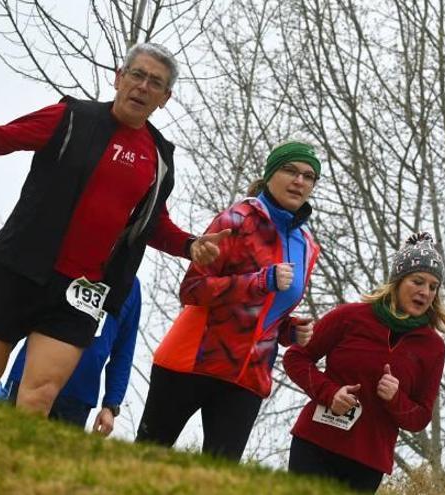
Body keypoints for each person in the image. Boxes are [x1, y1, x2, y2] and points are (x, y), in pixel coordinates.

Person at [0, 42, 227, 416]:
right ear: (119, 78)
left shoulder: (159, 157)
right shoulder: (71, 117)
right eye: (137, 75)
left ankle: (5, 473)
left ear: (165, 98)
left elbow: (152, 222)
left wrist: (190, 245)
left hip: (80, 292)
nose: (143, 87)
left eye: (155, 83)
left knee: (39, 397)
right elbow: (3, 137)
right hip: (19, 269)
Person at [135, 141, 323, 461]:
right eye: (289, 170)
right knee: (144, 463)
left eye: (308, 176)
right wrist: (259, 282)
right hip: (191, 363)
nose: (299, 181)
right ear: (269, 175)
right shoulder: (237, 220)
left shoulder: (308, 246)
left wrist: (291, 331)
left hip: (248, 377)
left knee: (218, 481)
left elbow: (266, 315)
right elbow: (192, 289)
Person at [283, 232, 445, 493]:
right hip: (316, 443)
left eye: (433, 286)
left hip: (367, 461)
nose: (425, 292)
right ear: (398, 280)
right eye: (418, 281)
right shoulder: (350, 317)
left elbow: (419, 418)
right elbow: (296, 357)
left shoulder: (432, 347)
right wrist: (330, 393)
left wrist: (395, 398)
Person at [0, 278, 141, 436]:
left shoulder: (131, 286)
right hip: (29, 378)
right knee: (9, 443)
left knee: (56, 458)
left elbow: (123, 351)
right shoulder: (67, 256)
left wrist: (111, 406)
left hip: (77, 398)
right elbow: (23, 313)